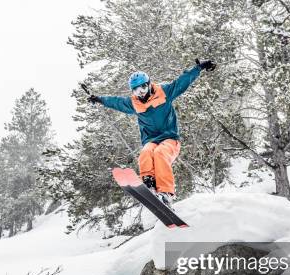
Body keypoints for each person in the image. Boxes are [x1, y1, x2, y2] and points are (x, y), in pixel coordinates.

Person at [88, 59, 216, 208]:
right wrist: (99, 99)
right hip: (151, 140)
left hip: (170, 138)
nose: (140, 92)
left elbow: (182, 81)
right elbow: (116, 102)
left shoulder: (164, 92)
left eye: (142, 87)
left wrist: (199, 68)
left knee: (160, 153)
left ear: (148, 84)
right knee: (146, 152)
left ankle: (166, 193)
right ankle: (149, 183)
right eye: (136, 90)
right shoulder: (134, 103)